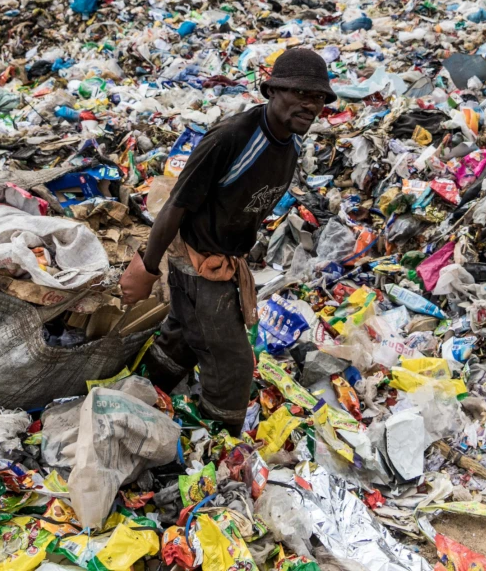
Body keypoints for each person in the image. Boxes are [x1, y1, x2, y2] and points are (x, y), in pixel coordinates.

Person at [119, 48, 335, 434]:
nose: (311, 105)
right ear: (273, 90)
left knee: (186, 334)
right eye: (301, 94)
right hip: (197, 263)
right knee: (233, 364)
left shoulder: (290, 147)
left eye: (318, 97)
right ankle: (220, 447)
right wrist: (147, 268)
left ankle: (145, 391)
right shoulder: (232, 138)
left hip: (225, 261)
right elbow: (175, 206)